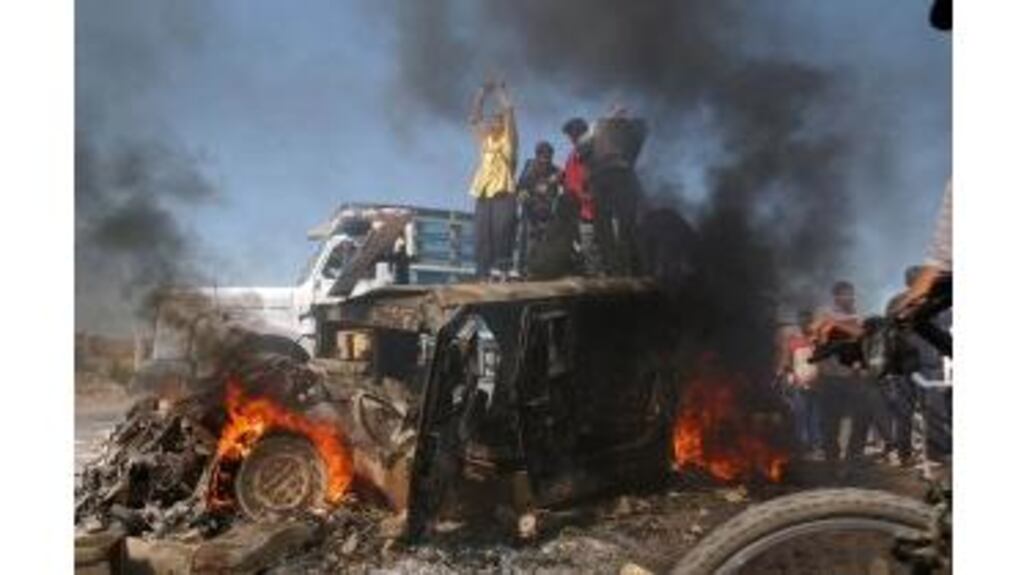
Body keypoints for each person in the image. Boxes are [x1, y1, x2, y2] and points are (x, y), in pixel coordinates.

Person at [813, 281, 892, 466]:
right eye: (844, 294)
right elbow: (816, 334)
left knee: (862, 416)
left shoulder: (857, 315)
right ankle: (832, 458)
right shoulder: (823, 312)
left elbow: (862, 335)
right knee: (830, 421)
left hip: (852, 376)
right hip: (829, 375)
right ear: (836, 296)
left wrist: (835, 323)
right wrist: (829, 325)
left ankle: (853, 456)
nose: (849, 298)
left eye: (851, 294)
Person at [583, 107, 646, 276]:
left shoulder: (631, 128)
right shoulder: (599, 125)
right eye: (615, 110)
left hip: (617, 176)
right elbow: (582, 150)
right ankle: (617, 269)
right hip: (606, 177)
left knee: (626, 225)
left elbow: (582, 149)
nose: (619, 113)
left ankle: (629, 268)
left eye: (623, 110)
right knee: (606, 225)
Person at [468, 80, 519, 279]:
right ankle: (482, 274)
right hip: (483, 193)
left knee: (502, 233)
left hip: (503, 194)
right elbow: (474, 119)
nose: (493, 122)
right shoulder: (485, 141)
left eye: (498, 120)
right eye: (492, 120)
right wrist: (481, 93)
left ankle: (503, 272)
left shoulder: (509, 143)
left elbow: (509, 111)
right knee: (482, 236)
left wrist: (500, 91)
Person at [778, 309, 823, 457]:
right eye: (802, 320)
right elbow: (786, 361)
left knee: (815, 416)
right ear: (799, 322)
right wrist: (787, 376)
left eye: (808, 320)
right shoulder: (792, 340)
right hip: (798, 384)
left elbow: (823, 360)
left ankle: (816, 445)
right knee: (801, 415)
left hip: (817, 383)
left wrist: (820, 377)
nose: (805, 323)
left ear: (811, 322)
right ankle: (803, 446)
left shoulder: (818, 339)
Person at [515, 141, 561, 277]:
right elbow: (520, 186)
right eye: (542, 158)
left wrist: (555, 180)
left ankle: (539, 270)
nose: (545, 161)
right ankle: (523, 269)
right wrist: (522, 193)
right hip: (530, 210)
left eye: (548, 158)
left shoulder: (555, 171)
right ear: (537, 156)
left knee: (543, 241)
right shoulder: (529, 165)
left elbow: (560, 183)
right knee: (527, 240)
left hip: (546, 212)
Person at [561, 117, 599, 275]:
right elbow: (569, 177)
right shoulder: (573, 155)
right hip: (578, 209)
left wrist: (585, 195)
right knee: (585, 249)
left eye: (572, 135)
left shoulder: (593, 152)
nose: (570, 139)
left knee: (594, 248)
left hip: (592, 209)